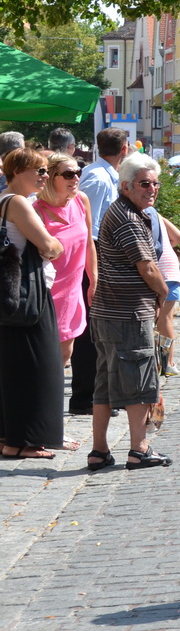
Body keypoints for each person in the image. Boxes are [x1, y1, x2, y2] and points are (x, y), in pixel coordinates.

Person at [87, 153, 172, 470]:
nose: (152, 189)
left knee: (106, 384)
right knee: (139, 382)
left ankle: (99, 451)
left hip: (109, 312)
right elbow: (147, 267)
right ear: (125, 186)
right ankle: (139, 449)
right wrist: (163, 293)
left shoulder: (123, 211)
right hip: (128, 314)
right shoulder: (128, 218)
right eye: (144, 184)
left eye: (155, 183)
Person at [0, 149, 68, 459]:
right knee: (37, 368)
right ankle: (23, 442)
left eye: (45, 170)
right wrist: (56, 245)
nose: (44, 176)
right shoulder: (16, 202)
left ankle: (10, 438)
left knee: (13, 369)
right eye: (38, 170)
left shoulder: (5, 200)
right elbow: (49, 245)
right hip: (29, 297)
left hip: (12, 297)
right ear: (16, 171)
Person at [71, 127, 130, 416]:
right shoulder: (97, 178)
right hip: (93, 261)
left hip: (99, 258)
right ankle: (86, 397)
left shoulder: (105, 175)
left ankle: (102, 395)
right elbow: (89, 231)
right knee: (90, 333)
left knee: (102, 331)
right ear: (124, 149)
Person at [36, 152, 95, 369]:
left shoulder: (81, 200)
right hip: (48, 293)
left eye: (78, 172)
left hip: (73, 290)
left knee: (65, 355)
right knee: (45, 359)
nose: (76, 178)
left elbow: (89, 244)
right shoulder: (37, 211)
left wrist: (93, 279)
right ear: (52, 177)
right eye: (69, 174)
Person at [150, 199, 180, 373]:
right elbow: (178, 237)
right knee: (166, 319)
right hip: (171, 268)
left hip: (160, 270)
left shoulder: (141, 214)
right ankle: (167, 362)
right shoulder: (155, 214)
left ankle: (167, 363)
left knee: (163, 319)